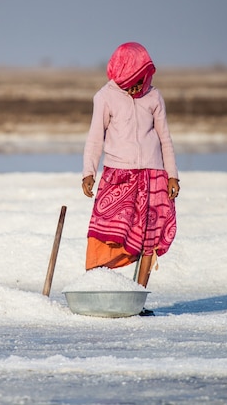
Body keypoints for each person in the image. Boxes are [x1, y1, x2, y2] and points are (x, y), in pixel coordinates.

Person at [81, 41, 179, 316]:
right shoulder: (105, 97)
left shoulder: (154, 97)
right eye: (131, 82)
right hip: (118, 175)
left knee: (150, 237)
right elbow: (94, 138)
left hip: (153, 175)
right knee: (106, 230)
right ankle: (95, 289)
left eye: (141, 81)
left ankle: (138, 300)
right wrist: (89, 172)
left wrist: (173, 176)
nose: (136, 88)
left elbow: (165, 138)